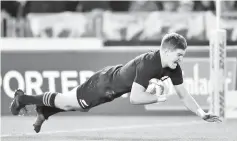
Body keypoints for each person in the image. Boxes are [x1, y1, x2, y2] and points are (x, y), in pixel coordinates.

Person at [10, 33, 222, 133]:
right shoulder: (150, 63)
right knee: (69, 102)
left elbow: (184, 94)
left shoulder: (172, 67)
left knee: (76, 106)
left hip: (110, 85)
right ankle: (23, 98)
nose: (181, 59)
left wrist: (202, 114)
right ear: (166, 51)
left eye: (183, 55)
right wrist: (158, 97)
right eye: (179, 55)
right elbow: (135, 98)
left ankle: (43, 113)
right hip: (104, 84)